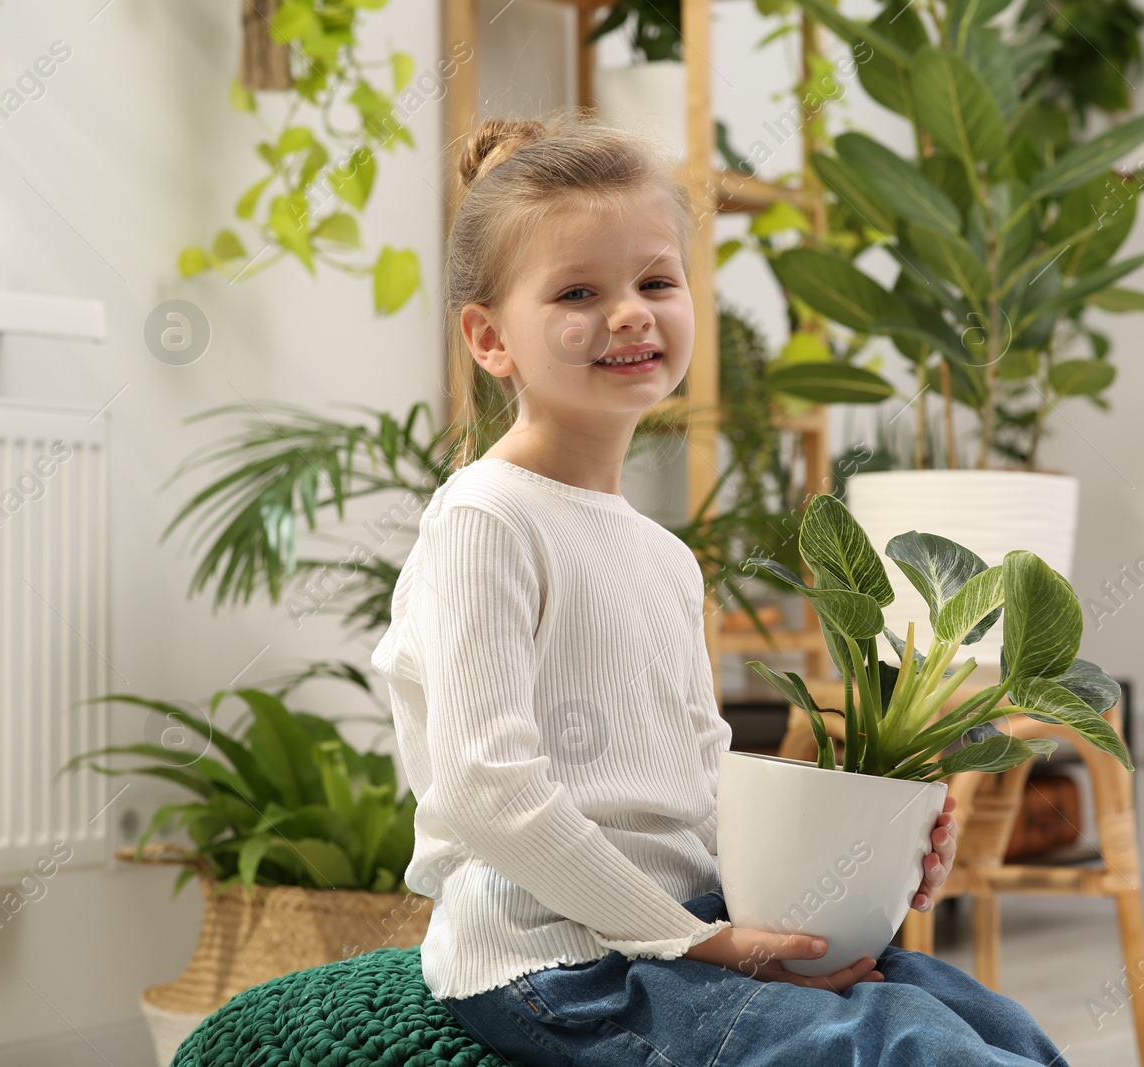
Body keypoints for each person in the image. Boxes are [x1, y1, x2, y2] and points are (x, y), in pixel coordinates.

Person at [369, 107, 1070, 1067]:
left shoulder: (662, 556)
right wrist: (696, 942)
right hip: (558, 961)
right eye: (579, 290)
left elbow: (704, 791)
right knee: (909, 1049)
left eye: (657, 280)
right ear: (490, 338)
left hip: (687, 928)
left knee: (993, 1026)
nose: (629, 312)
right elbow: (487, 790)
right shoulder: (486, 518)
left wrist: (878, 851)